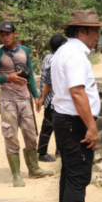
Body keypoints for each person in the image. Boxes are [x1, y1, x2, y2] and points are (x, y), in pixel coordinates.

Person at [51, 10, 102, 202]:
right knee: (78, 175)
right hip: (74, 123)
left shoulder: (66, 50)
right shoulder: (75, 54)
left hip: (66, 120)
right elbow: (77, 92)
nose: (99, 36)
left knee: (69, 172)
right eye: (96, 31)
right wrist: (91, 127)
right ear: (82, 30)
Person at [0, 21, 52, 187]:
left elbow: (29, 75)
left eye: (7, 33)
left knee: (31, 136)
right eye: (1, 34)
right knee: (11, 137)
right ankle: (16, 175)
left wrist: (36, 96)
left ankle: (34, 169)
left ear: (15, 34)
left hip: (25, 100)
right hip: (8, 102)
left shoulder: (25, 51)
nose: (4, 37)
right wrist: (7, 78)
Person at [36, 34, 67, 163]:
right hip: (53, 99)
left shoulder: (47, 57)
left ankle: (59, 151)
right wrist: (43, 98)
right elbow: (48, 82)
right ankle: (42, 152)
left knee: (56, 125)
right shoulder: (56, 59)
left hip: (51, 98)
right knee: (48, 126)